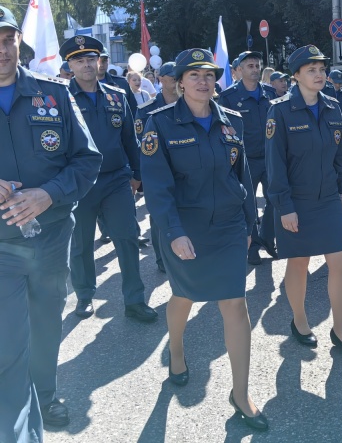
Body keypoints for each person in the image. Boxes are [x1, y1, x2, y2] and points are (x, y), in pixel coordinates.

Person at [140, 48, 268, 430]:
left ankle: (241, 393)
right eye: (194, 75)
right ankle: (176, 351)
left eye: (209, 75)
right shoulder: (159, 124)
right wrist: (174, 233)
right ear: (179, 83)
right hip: (184, 228)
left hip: (228, 227)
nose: (203, 81)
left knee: (235, 303)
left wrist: (249, 226)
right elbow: (157, 188)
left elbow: (241, 177)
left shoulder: (232, 120)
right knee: (184, 297)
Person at [0, 6, 102, 437]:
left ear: (19, 41)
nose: (1, 49)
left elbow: (87, 159)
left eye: (7, 38)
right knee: (8, 334)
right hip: (1, 245)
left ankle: (45, 392)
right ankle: (15, 417)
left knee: (45, 321)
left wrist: (48, 195)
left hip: (51, 237)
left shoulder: (55, 94)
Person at [266, 45, 342, 355]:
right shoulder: (279, 110)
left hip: (329, 200)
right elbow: (275, 164)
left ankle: (341, 329)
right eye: (311, 70)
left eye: (321, 69)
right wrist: (284, 207)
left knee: (340, 263)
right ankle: (300, 321)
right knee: (299, 264)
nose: (319, 75)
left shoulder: (333, 107)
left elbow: (339, 155)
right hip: (297, 202)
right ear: (295, 76)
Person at [62, 35, 158, 323]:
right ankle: (84, 294)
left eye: (92, 58)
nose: (87, 64)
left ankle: (134, 300)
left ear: (100, 61)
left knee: (127, 237)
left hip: (116, 180)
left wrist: (138, 175)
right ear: (70, 65)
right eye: (79, 60)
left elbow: (130, 138)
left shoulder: (117, 96)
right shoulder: (60, 99)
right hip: (79, 183)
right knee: (81, 243)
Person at [219, 51, 277, 265]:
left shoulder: (270, 93)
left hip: (271, 158)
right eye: (250, 66)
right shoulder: (228, 97)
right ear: (239, 70)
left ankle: (268, 239)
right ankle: (253, 247)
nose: (255, 69)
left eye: (257, 65)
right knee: (249, 204)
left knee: (276, 200)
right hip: (245, 160)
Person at [135, 61, 179, 273]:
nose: (175, 79)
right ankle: (162, 259)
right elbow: (142, 143)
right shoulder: (146, 110)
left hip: (184, 169)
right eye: (171, 76)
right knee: (159, 215)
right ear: (160, 79)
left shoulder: (190, 103)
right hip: (158, 170)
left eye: (177, 75)